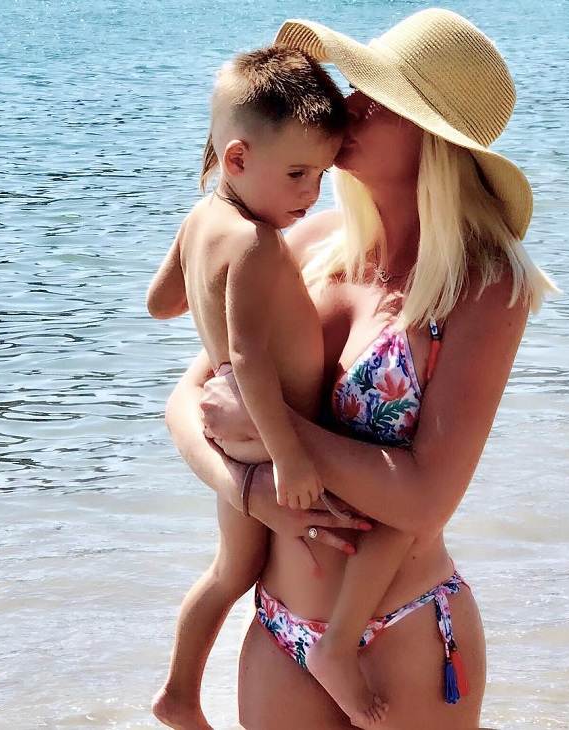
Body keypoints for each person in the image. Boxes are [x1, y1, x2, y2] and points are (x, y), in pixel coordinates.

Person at [150, 8, 559, 729]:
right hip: (280, 629)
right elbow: (189, 404)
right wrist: (249, 488)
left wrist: (282, 436)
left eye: (379, 96)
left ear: (434, 138)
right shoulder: (305, 241)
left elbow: (427, 499)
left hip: (406, 630)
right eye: (357, 85)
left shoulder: (485, 285)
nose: (349, 104)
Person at [149, 44, 420, 730]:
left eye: (320, 175)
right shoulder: (255, 244)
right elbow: (246, 357)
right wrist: (292, 459)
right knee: (385, 521)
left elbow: (160, 303)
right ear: (237, 158)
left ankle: (180, 692)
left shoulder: (201, 220)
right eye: (298, 174)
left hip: (247, 440)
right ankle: (319, 654)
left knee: (229, 573)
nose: (311, 194)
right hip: (271, 437)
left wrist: (205, 285)